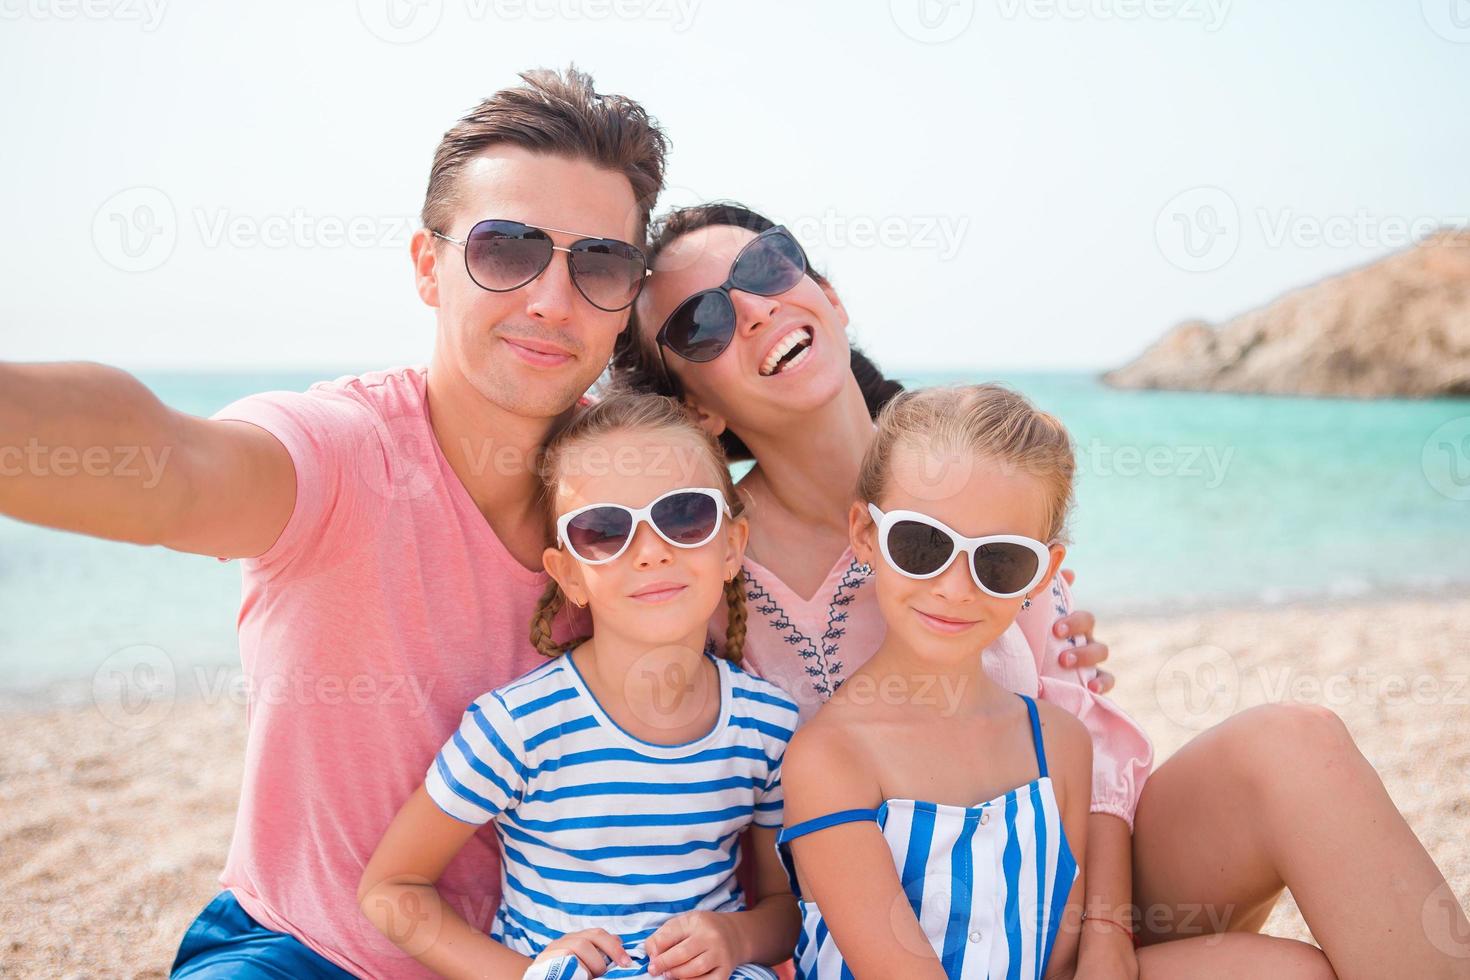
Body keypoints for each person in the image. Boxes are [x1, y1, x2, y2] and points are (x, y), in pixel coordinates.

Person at [614, 203, 1470, 978]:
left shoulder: (974, 478)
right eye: (702, 324)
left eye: (766, 268)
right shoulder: (698, 558)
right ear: (697, 411)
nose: (754, 308)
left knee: (1296, 742)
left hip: (1067, 889)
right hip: (870, 938)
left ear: (830, 296)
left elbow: (1084, 737)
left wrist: (1103, 932)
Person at [0, 67, 672, 979]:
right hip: (307, 951)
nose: (552, 299)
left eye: (597, 262)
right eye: (508, 250)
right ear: (429, 268)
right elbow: (170, 468)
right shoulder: (344, 454)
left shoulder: (649, 494)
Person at [779, 383, 1336, 978]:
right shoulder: (829, 759)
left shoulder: (1061, 746)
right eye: (922, 544)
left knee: (1291, 967)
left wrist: (1107, 936)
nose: (955, 585)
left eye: (999, 560)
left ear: (1042, 573)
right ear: (866, 533)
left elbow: (1055, 958)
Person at [359, 393, 800, 979]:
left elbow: (784, 908)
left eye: (684, 515)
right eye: (604, 530)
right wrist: (525, 975)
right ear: (570, 575)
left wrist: (735, 937)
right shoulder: (519, 726)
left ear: (731, 547)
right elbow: (391, 888)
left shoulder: (767, 724)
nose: (650, 552)